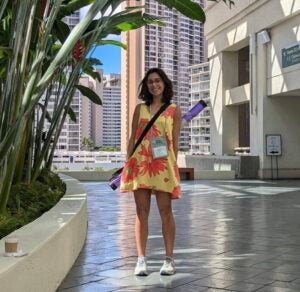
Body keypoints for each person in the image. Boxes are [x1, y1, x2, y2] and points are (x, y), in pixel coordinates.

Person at [120, 68, 182, 276]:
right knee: (141, 212)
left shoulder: (174, 110)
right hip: (140, 164)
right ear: (146, 86)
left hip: (163, 164)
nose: (154, 85)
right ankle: (141, 260)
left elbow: (175, 140)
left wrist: (173, 166)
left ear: (164, 83)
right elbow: (132, 138)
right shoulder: (140, 109)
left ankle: (169, 260)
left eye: (157, 81)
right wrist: (128, 161)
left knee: (165, 211)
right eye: (150, 82)